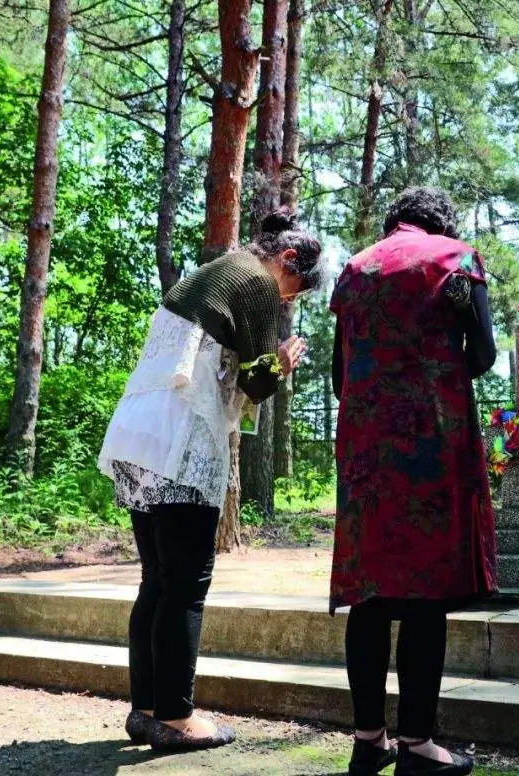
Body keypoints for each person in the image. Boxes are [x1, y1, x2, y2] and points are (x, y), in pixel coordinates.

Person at [97, 210, 322, 753]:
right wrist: (284, 361)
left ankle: (146, 711)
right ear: (288, 260)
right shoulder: (255, 279)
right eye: (294, 289)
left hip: (137, 434)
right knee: (186, 585)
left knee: (157, 579)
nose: (288, 300)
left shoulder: (213, 270)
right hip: (182, 439)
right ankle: (176, 718)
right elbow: (255, 379)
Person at [330, 187, 498, 776]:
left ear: (392, 223)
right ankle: (420, 746)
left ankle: (367, 740)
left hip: (366, 454)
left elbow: (337, 379)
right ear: (440, 222)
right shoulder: (456, 258)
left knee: (370, 596)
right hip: (431, 446)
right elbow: (481, 357)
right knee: (426, 597)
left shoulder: (354, 269)